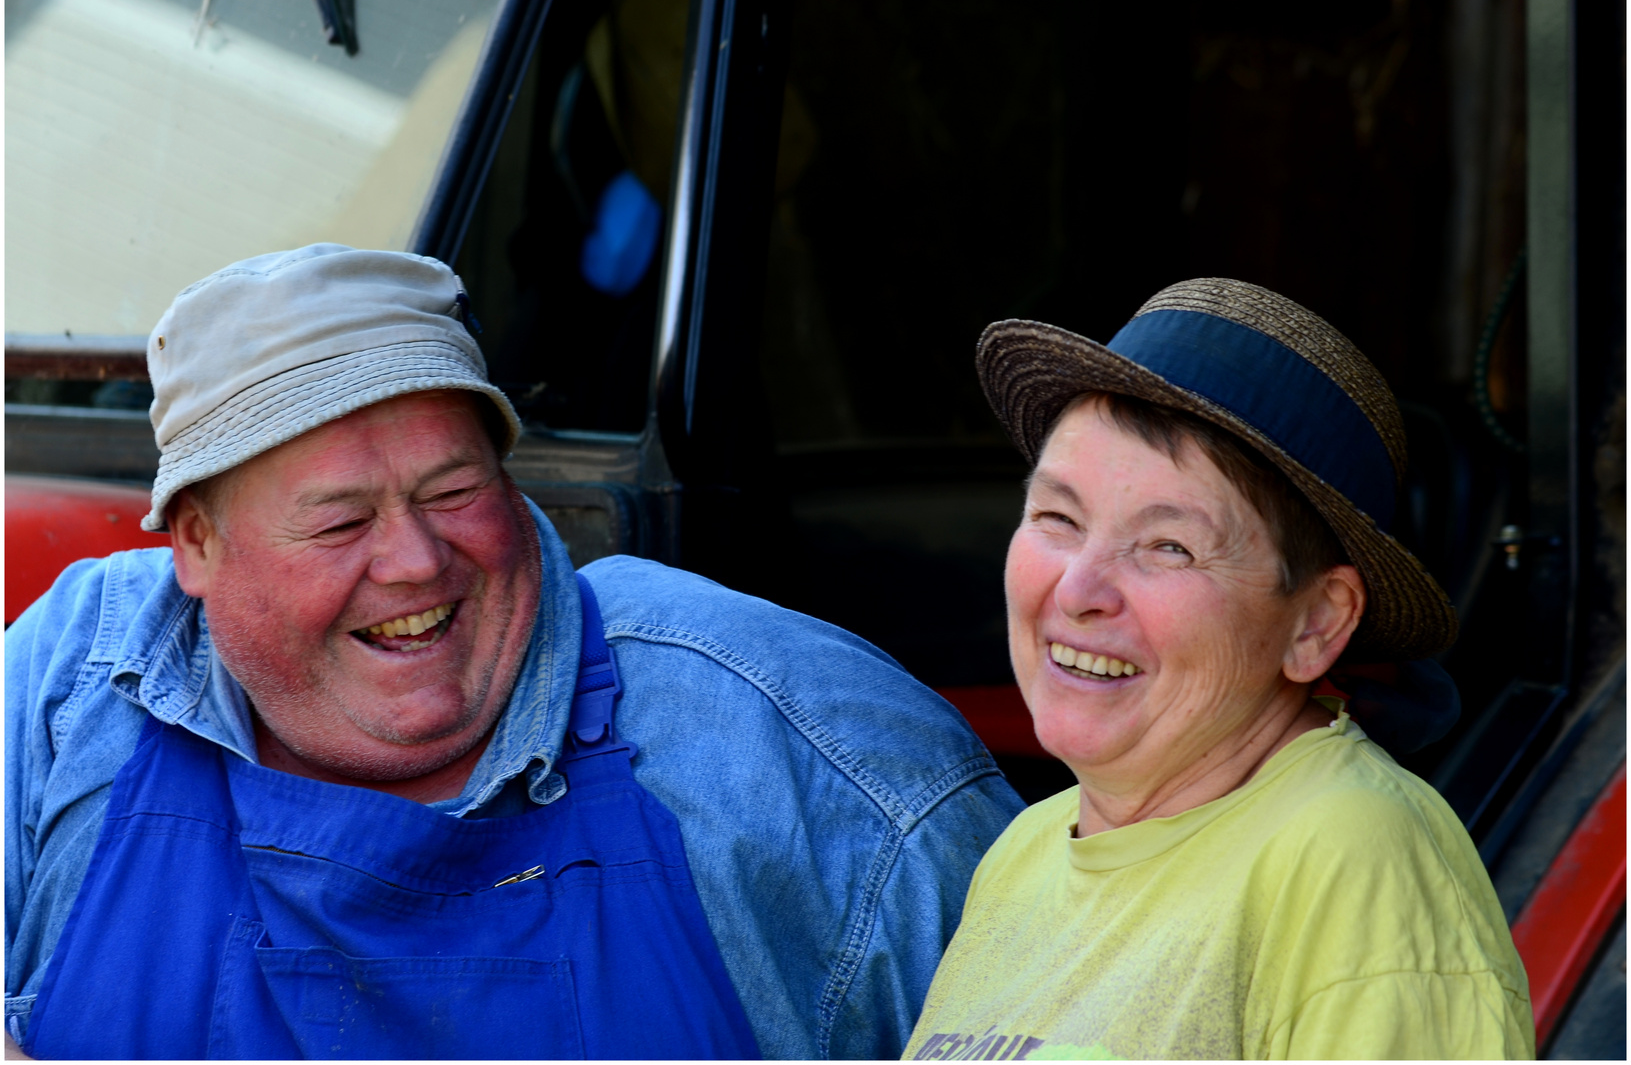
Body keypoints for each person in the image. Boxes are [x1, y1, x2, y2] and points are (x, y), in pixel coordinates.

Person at [4, 244, 1025, 1059]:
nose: (413, 561)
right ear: (193, 544)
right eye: (339, 522)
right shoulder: (79, 676)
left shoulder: (802, 749)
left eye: (453, 492)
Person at [904, 279, 1534, 1060]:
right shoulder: (1025, 852)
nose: (1077, 591)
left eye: (1168, 546)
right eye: (1057, 519)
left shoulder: (1350, 857)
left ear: (1316, 623)